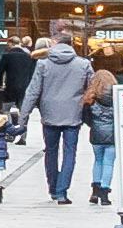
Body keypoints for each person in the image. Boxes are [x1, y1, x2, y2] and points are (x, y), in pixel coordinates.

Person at [28, 36, 102, 203]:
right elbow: (93, 87)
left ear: (56, 45)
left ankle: (53, 188)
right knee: (70, 153)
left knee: (51, 151)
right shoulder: (83, 64)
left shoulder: (43, 64)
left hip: (49, 115)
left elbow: (33, 91)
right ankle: (62, 192)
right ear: (71, 46)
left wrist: (23, 118)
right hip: (73, 115)